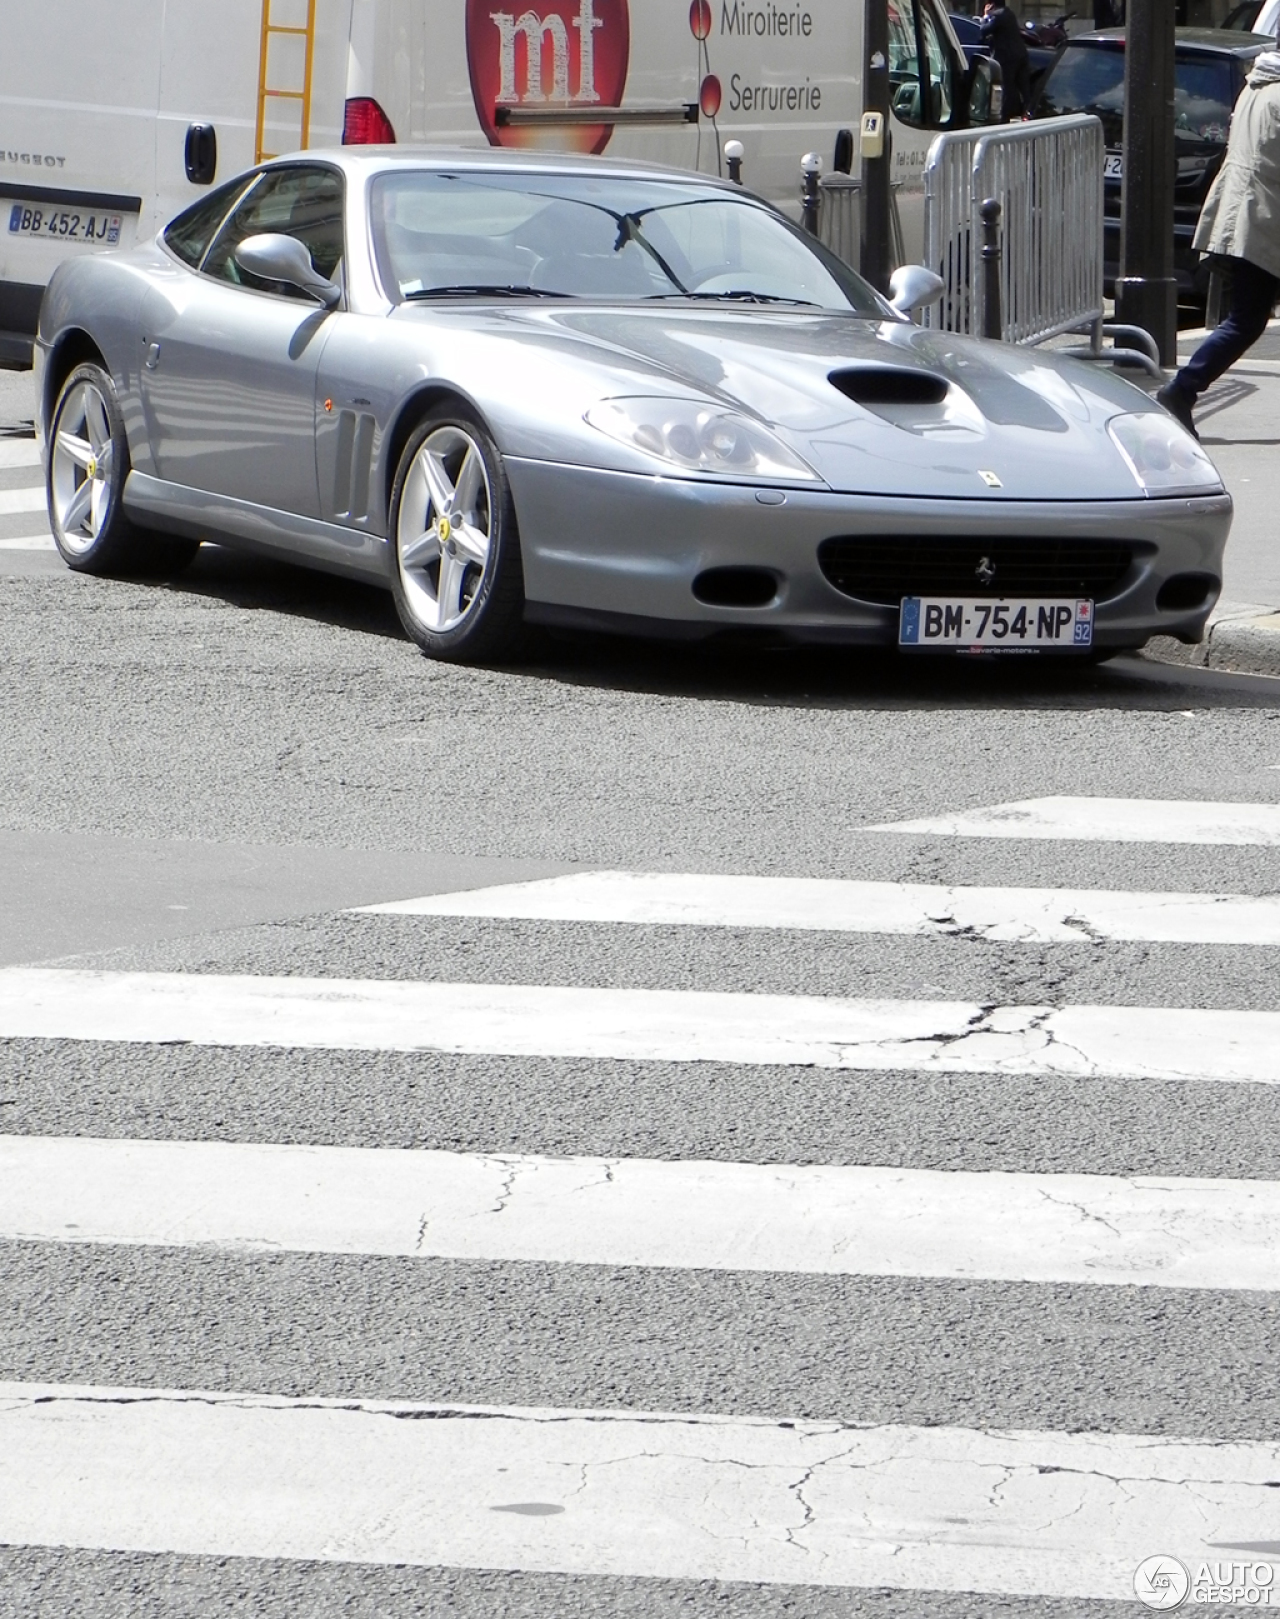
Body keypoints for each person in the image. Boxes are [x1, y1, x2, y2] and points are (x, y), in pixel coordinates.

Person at [1157, 45, 1280, 437]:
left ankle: (1183, 389)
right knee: (1246, 320)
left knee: (1246, 318)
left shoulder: (1256, 86)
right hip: (1261, 219)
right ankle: (1181, 389)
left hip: (1246, 214)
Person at [980, 1, 1032, 120]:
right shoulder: (1009, 13)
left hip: (1007, 57)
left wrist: (985, 16)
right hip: (1021, 54)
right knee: (1024, 88)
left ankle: (1003, 118)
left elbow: (983, 30)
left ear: (992, 5)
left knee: (1006, 88)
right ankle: (1029, 113)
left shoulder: (997, 15)